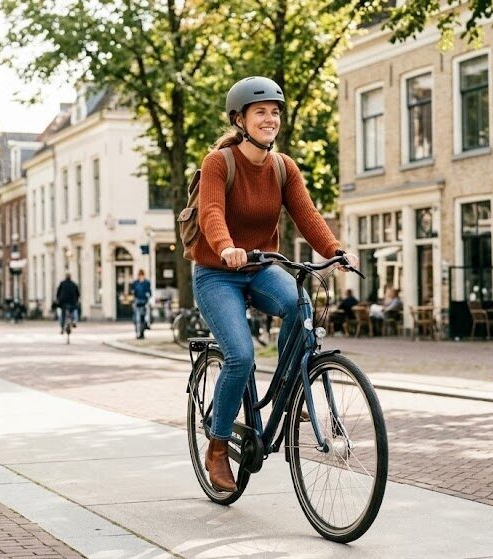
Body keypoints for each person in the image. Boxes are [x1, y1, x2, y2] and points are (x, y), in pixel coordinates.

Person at [190, 76, 358, 492]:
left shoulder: (283, 167)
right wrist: (227, 247)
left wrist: (334, 250)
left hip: (261, 266)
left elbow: (307, 215)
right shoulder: (219, 162)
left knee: (301, 306)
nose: (270, 119)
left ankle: (289, 387)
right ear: (240, 119)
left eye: (275, 112)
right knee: (240, 356)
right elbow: (211, 213)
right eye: (260, 112)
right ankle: (217, 444)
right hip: (217, 272)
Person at [130, 269, 152, 339]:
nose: (141, 277)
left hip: (144, 303)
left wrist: (147, 296)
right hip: (137, 302)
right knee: (137, 319)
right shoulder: (135, 283)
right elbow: (133, 292)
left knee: (143, 319)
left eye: (142, 275)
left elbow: (149, 292)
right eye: (140, 275)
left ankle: (142, 333)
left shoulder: (147, 283)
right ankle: (137, 333)